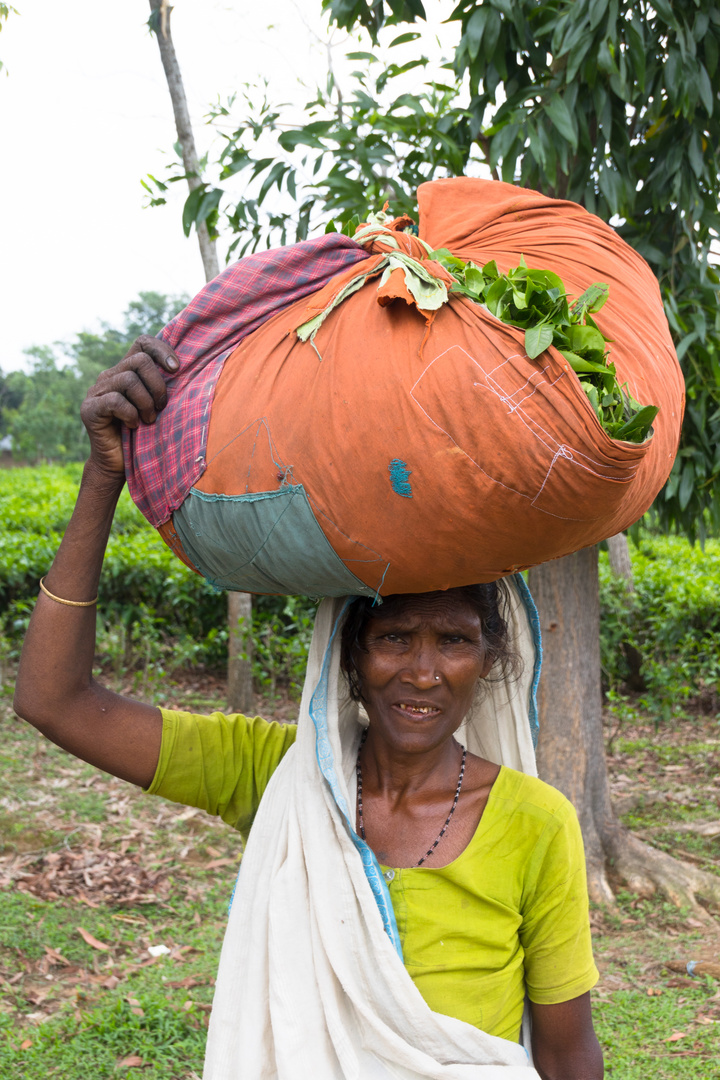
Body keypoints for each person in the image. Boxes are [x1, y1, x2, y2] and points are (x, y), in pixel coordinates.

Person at [14, 339, 604, 1080]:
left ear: (489, 658)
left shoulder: (536, 822)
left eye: (453, 640)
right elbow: (54, 701)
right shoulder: (281, 778)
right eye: (393, 637)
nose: (423, 672)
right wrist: (103, 476)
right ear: (348, 656)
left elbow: (567, 1050)